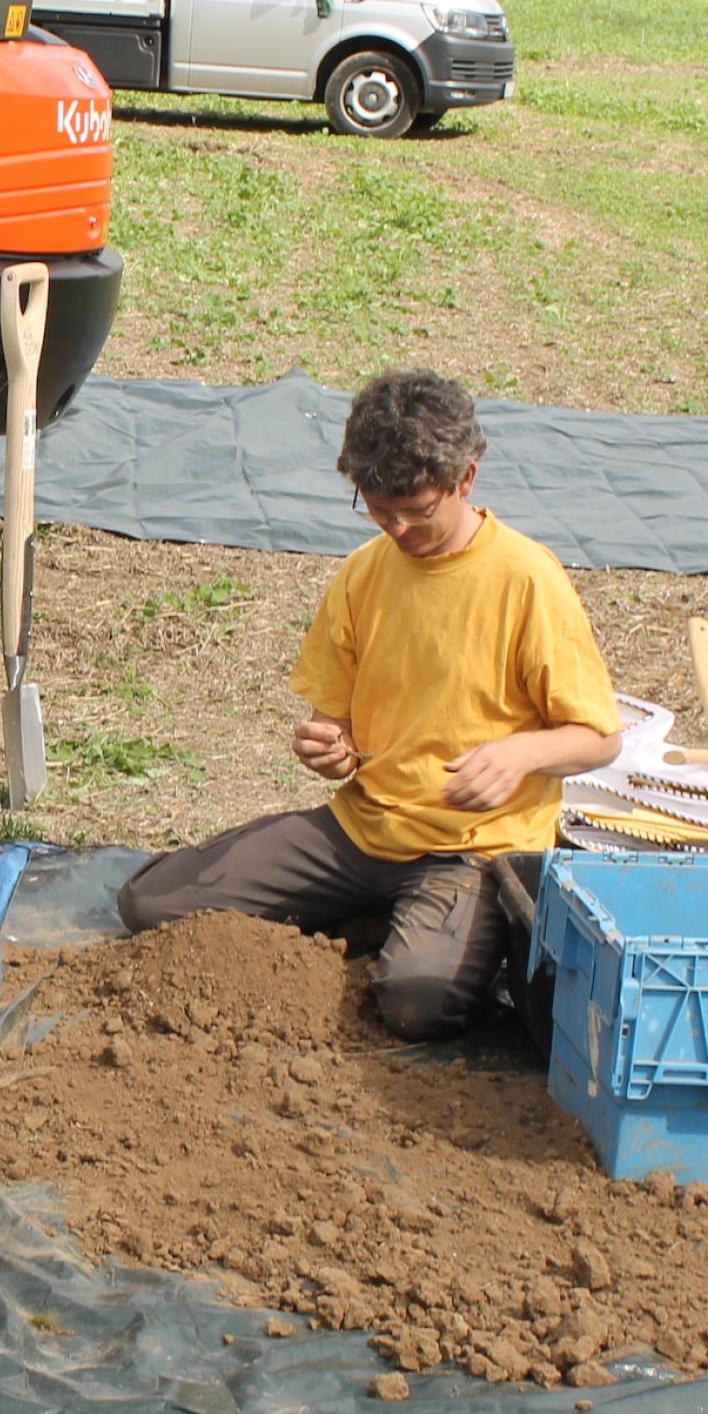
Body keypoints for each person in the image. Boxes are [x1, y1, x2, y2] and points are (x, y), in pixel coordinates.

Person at [116, 371, 621, 1041]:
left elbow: (600, 737)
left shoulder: (527, 579)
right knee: (148, 901)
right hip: (363, 829)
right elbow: (337, 724)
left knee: (416, 1002)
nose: (399, 528)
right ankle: (376, 914)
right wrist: (327, 742)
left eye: (416, 509)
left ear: (465, 479)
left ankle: (417, 927)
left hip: (469, 850)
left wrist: (521, 751)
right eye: (380, 511)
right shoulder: (363, 572)